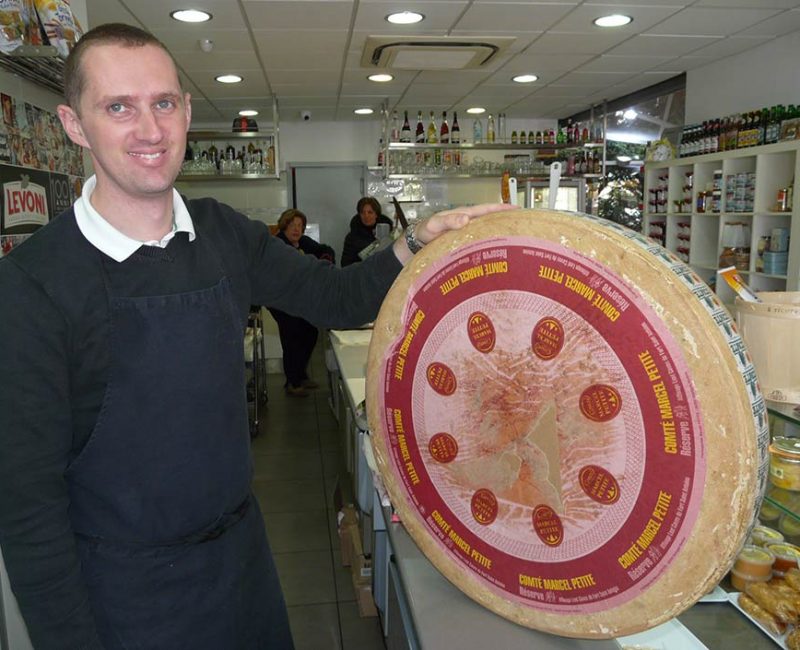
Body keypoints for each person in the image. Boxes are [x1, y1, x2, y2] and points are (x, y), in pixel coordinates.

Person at [0, 22, 511, 650]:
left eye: (163, 103)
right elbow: (27, 509)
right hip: (124, 594)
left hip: (242, 565)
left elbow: (337, 297)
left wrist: (415, 242)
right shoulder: (32, 284)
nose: (150, 130)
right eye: (118, 107)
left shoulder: (223, 233)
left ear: (186, 111)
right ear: (74, 124)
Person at [268, 208, 330, 397]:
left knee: (310, 332)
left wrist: (325, 259)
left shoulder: (301, 242)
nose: (297, 229)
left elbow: (325, 249)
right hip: (279, 300)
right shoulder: (278, 243)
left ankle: (301, 375)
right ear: (284, 225)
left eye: (300, 226)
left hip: (298, 299)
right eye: (293, 225)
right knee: (291, 338)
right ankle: (292, 382)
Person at [340, 195, 394, 266]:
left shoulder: (389, 234)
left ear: (376, 214)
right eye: (362, 212)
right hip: (362, 274)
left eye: (370, 212)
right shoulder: (351, 238)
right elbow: (345, 264)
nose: (366, 216)